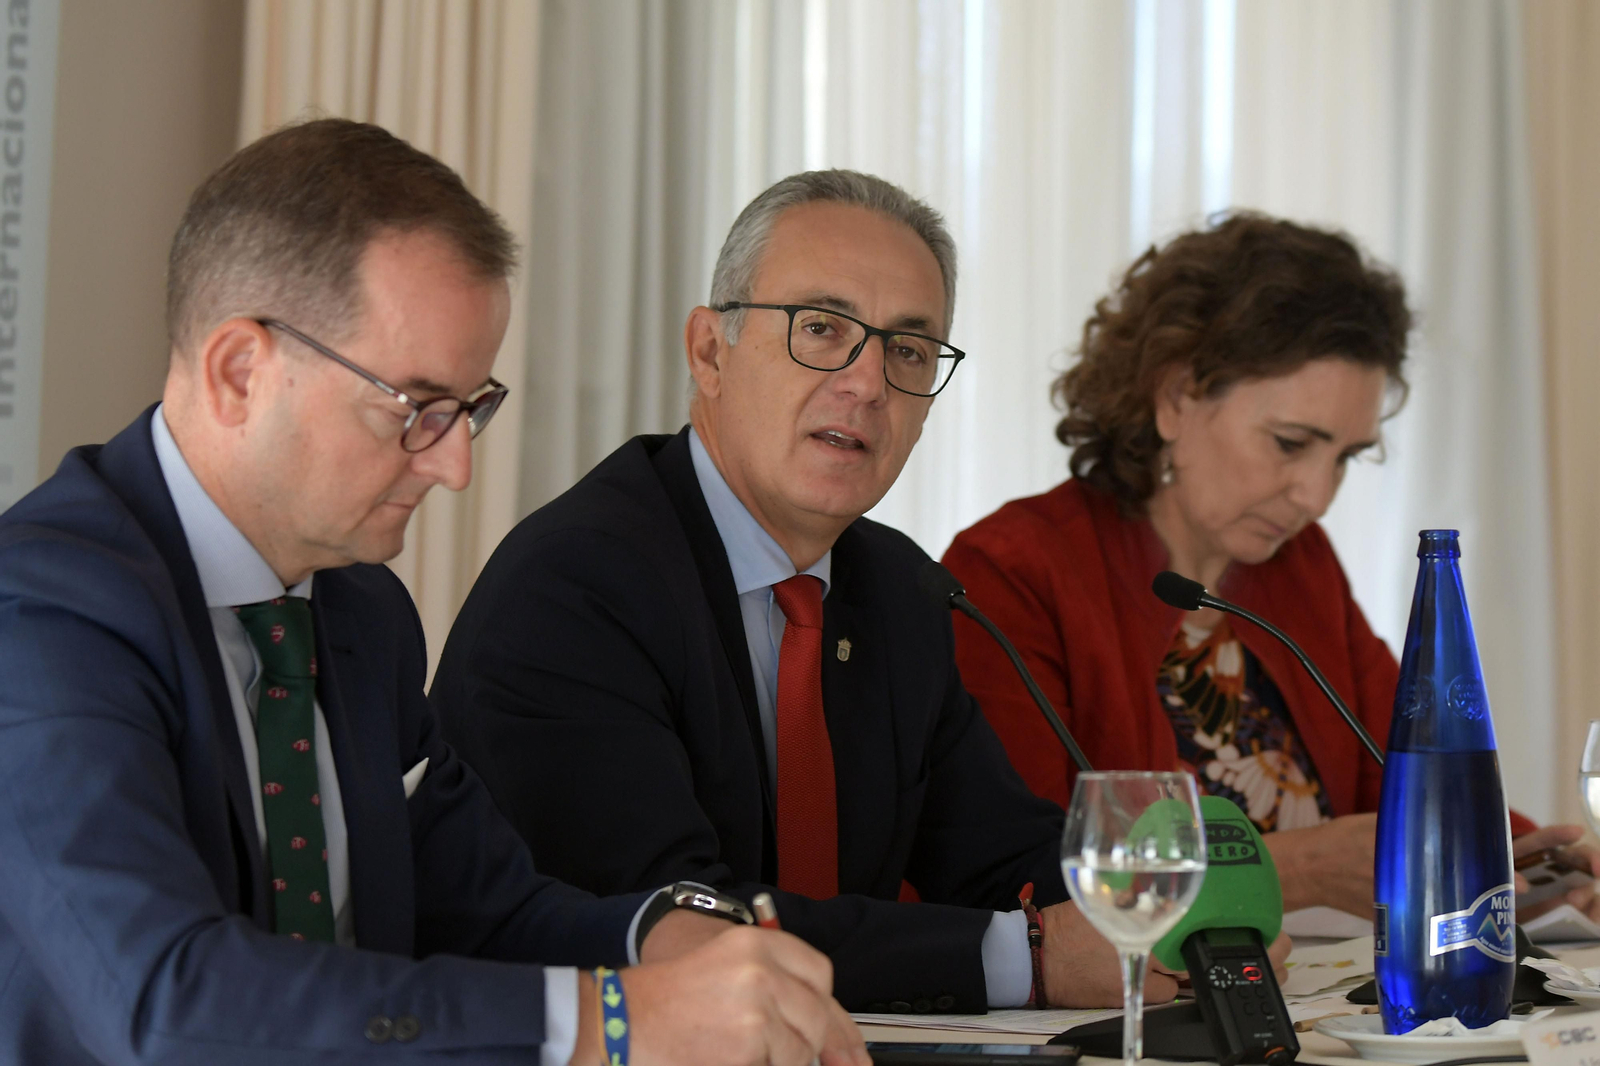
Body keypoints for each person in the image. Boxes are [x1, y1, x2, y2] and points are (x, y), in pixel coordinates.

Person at [0, 119, 867, 1066]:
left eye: (470, 410)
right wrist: (616, 1023)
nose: (454, 466)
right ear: (240, 372)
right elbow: (166, 1001)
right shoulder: (43, 614)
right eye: (416, 408)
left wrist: (662, 937)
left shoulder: (364, 612)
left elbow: (490, 907)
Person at [433, 170, 1288, 1016]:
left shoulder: (900, 588)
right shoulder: (575, 586)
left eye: (908, 350)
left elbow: (999, 852)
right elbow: (677, 922)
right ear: (709, 351)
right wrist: (1028, 960)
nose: (868, 382)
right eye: (821, 328)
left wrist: (1179, 924)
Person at [941, 212, 1591, 922]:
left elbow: (1408, 772)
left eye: (1344, 457)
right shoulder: (1013, 571)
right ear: (1175, 397)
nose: (1315, 496)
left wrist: (1522, 864)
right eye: (1290, 443)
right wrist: (1300, 870)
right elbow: (1010, 883)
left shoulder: (1296, 566)